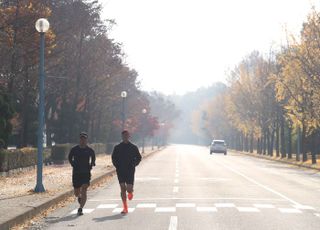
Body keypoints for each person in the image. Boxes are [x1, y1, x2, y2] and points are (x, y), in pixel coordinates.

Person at [112, 130, 142, 214]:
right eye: (124, 136)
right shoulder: (117, 147)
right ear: (122, 137)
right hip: (120, 170)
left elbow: (139, 157)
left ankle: (131, 192)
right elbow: (113, 157)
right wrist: (116, 165)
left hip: (130, 171)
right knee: (122, 188)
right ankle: (125, 207)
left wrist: (134, 164)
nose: (125, 137)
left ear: (129, 136)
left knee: (128, 189)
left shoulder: (133, 147)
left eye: (127, 135)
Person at [68, 132, 96, 216]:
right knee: (76, 193)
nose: (83, 140)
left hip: (86, 172)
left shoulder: (90, 150)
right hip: (76, 173)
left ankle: (80, 208)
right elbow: (70, 157)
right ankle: (79, 196)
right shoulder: (74, 149)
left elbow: (93, 158)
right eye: (81, 139)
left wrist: (91, 164)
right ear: (79, 139)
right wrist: (73, 164)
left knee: (84, 189)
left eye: (84, 139)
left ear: (87, 140)